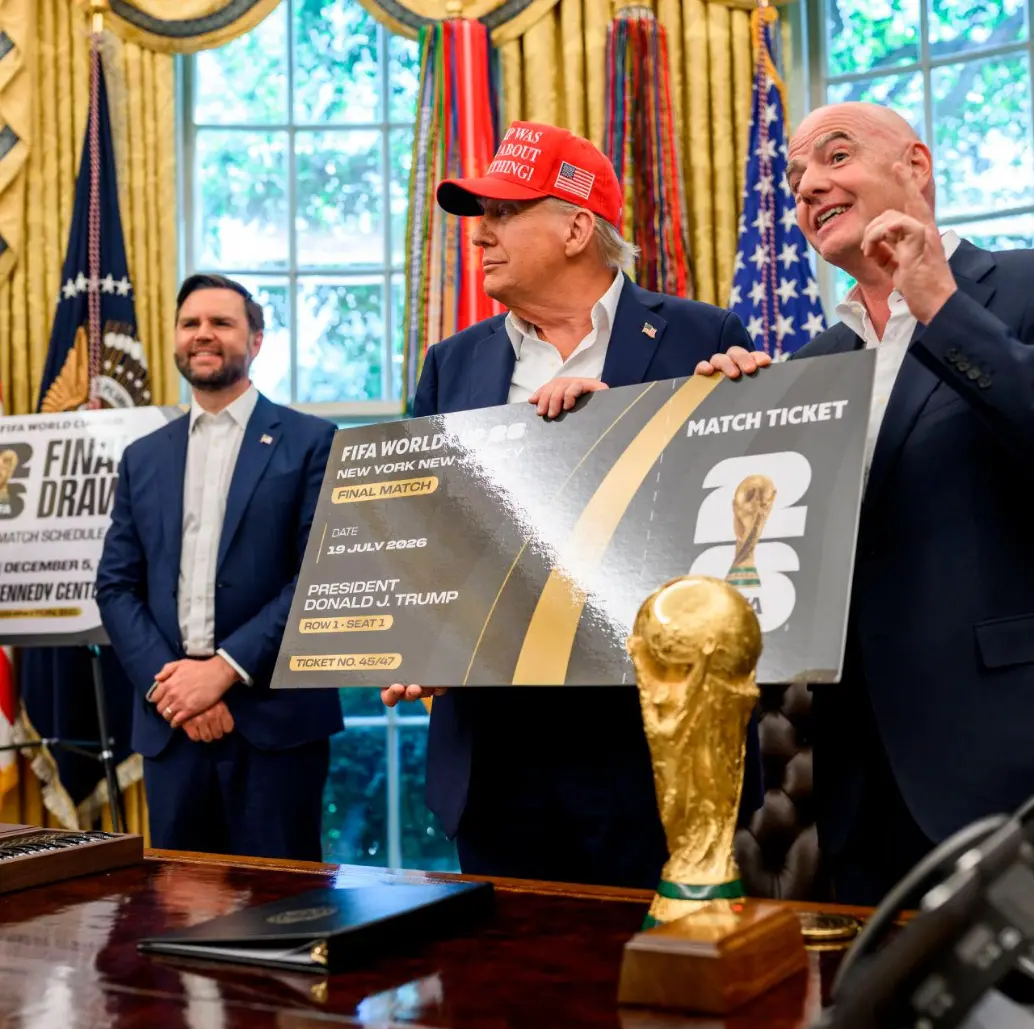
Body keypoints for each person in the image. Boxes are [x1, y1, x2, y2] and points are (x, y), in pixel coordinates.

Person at [382, 119, 760, 889]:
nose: (479, 237)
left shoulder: (703, 336)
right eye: (479, 219)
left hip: (639, 751)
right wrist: (415, 635)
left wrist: (610, 426)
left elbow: (734, 529)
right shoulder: (452, 363)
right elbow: (430, 531)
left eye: (502, 215)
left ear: (576, 226)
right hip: (494, 759)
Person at [695, 100, 1034, 905]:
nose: (809, 186)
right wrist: (731, 431)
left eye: (835, 157)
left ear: (914, 167)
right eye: (798, 176)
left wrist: (941, 306)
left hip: (1004, 756)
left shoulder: (1021, 285)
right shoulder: (815, 362)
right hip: (850, 774)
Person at [96, 274, 343, 860]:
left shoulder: (313, 442)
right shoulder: (142, 457)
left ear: (255, 340)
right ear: (176, 340)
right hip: (172, 727)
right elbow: (115, 586)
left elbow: (320, 576)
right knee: (178, 916)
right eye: (190, 324)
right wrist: (177, 687)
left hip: (277, 727)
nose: (203, 335)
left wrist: (224, 671)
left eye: (221, 323)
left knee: (280, 916)